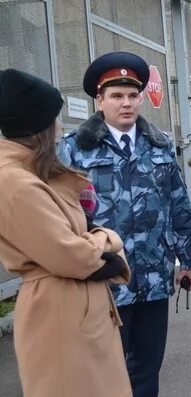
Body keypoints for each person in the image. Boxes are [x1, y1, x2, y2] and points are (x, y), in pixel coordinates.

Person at [58, 52, 191, 397]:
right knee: (103, 372)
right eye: (116, 96)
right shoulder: (75, 150)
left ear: (141, 97)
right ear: (100, 100)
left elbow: (179, 205)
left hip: (153, 278)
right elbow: (62, 218)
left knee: (148, 368)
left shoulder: (159, 145)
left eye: (132, 95)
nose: (126, 103)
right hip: (103, 282)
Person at [0, 68, 132, 396]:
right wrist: (108, 239)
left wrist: (93, 241)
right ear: (38, 126)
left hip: (73, 311)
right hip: (60, 317)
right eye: (54, 118)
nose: (60, 127)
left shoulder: (30, 172)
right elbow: (70, 255)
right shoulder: (13, 181)